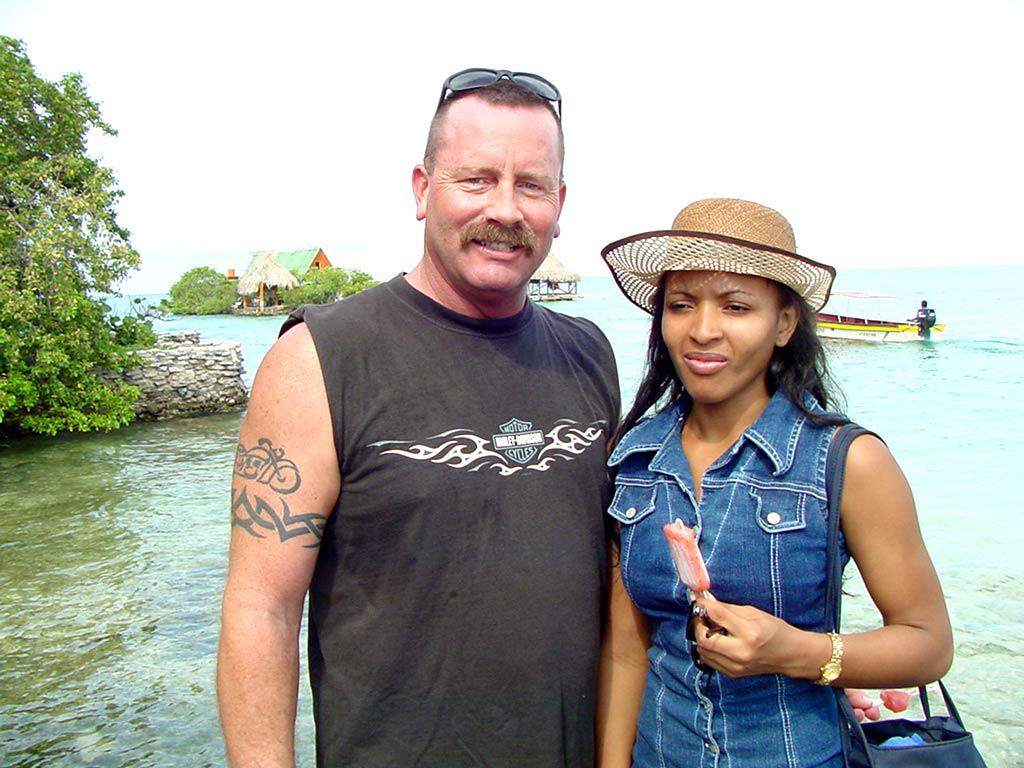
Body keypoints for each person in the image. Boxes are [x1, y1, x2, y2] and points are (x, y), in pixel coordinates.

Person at [217, 69, 620, 767]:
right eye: (476, 180)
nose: (505, 209)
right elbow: (261, 610)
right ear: (421, 189)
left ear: (559, 204)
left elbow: (618, 585)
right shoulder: (319, 358)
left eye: (531, 185)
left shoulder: (589, 354)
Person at [595, 198, 953, 767]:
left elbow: (928, 644)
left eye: (736, 307)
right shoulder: (635, 459)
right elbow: (626, 652)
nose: (702, 330)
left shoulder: (847, 460)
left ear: (784, 324)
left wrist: (796, 652)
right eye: (681, 304)